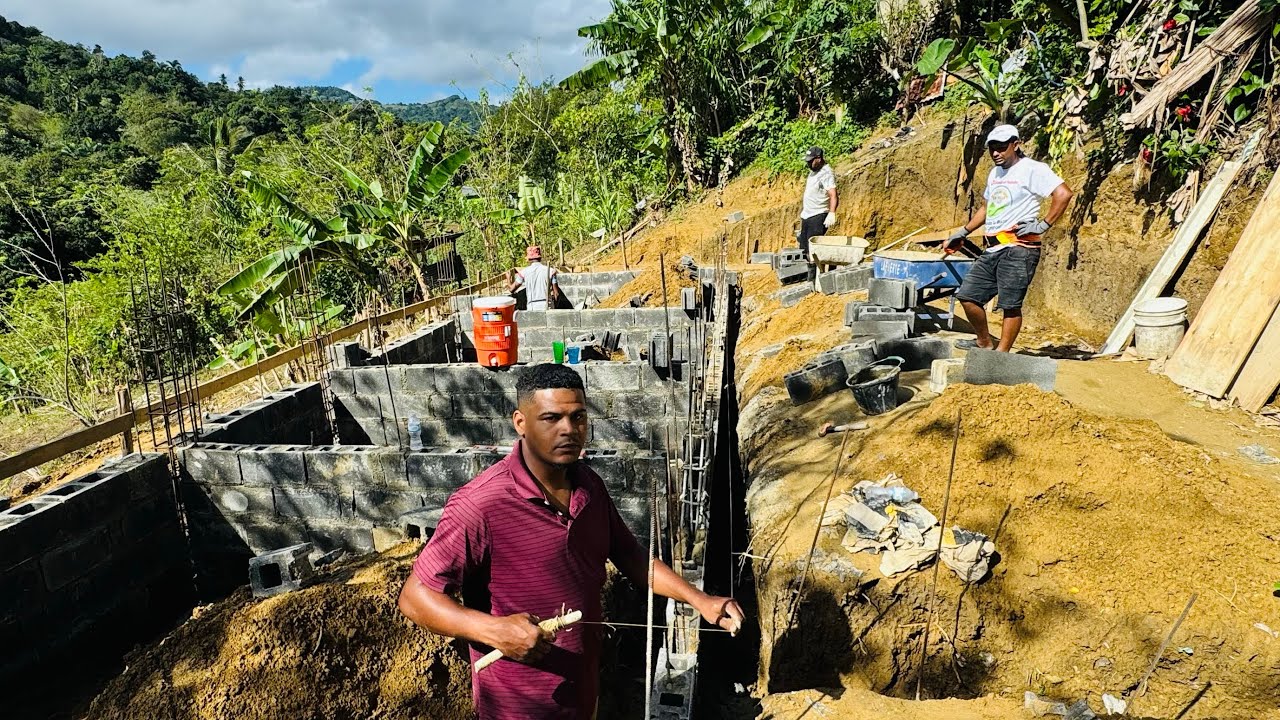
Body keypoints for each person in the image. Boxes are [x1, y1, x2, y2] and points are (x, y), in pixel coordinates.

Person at [398, 363, 745, 719]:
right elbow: (414, 598)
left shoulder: (589, 487)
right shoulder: (482, 505)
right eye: (551, 418)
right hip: (518, 709)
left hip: (583, 696)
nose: (569, 430)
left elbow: (629, 555)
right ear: (520, 423)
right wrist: (495, 630)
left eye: (578, 417)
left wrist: (700, 600)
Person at [944, 125, 1073, 352]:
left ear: (1016, 144)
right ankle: (984, 342)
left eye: (1002, 148)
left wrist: (1043, 224)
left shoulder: (1033, 169)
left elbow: (1063, 194)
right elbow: (987, 207)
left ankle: (1001, 355)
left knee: (1010, 305)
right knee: (968, 295)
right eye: (992, 149)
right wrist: (963, 232)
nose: (996, 153)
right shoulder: (995, 173)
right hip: (993, 248)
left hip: (1019, 248)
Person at [798, 146, 838, 262]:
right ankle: (808, 275)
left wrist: (831, 213)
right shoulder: (813, 171)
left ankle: (814, 277)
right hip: (807, 215)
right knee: (804, 249)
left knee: (813, 250)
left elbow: (833, 194)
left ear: (819, 159)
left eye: (811, 161)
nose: (808, 164)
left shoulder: (826, 173)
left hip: (818, 215)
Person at [508, 246, 560, 311]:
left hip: (532, 307)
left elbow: (511, 289)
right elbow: (556, 294)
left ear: (529, 259)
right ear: (540, 258)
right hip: (547, 305)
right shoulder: (551, 271)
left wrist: (508, 279)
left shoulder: (524, 272)